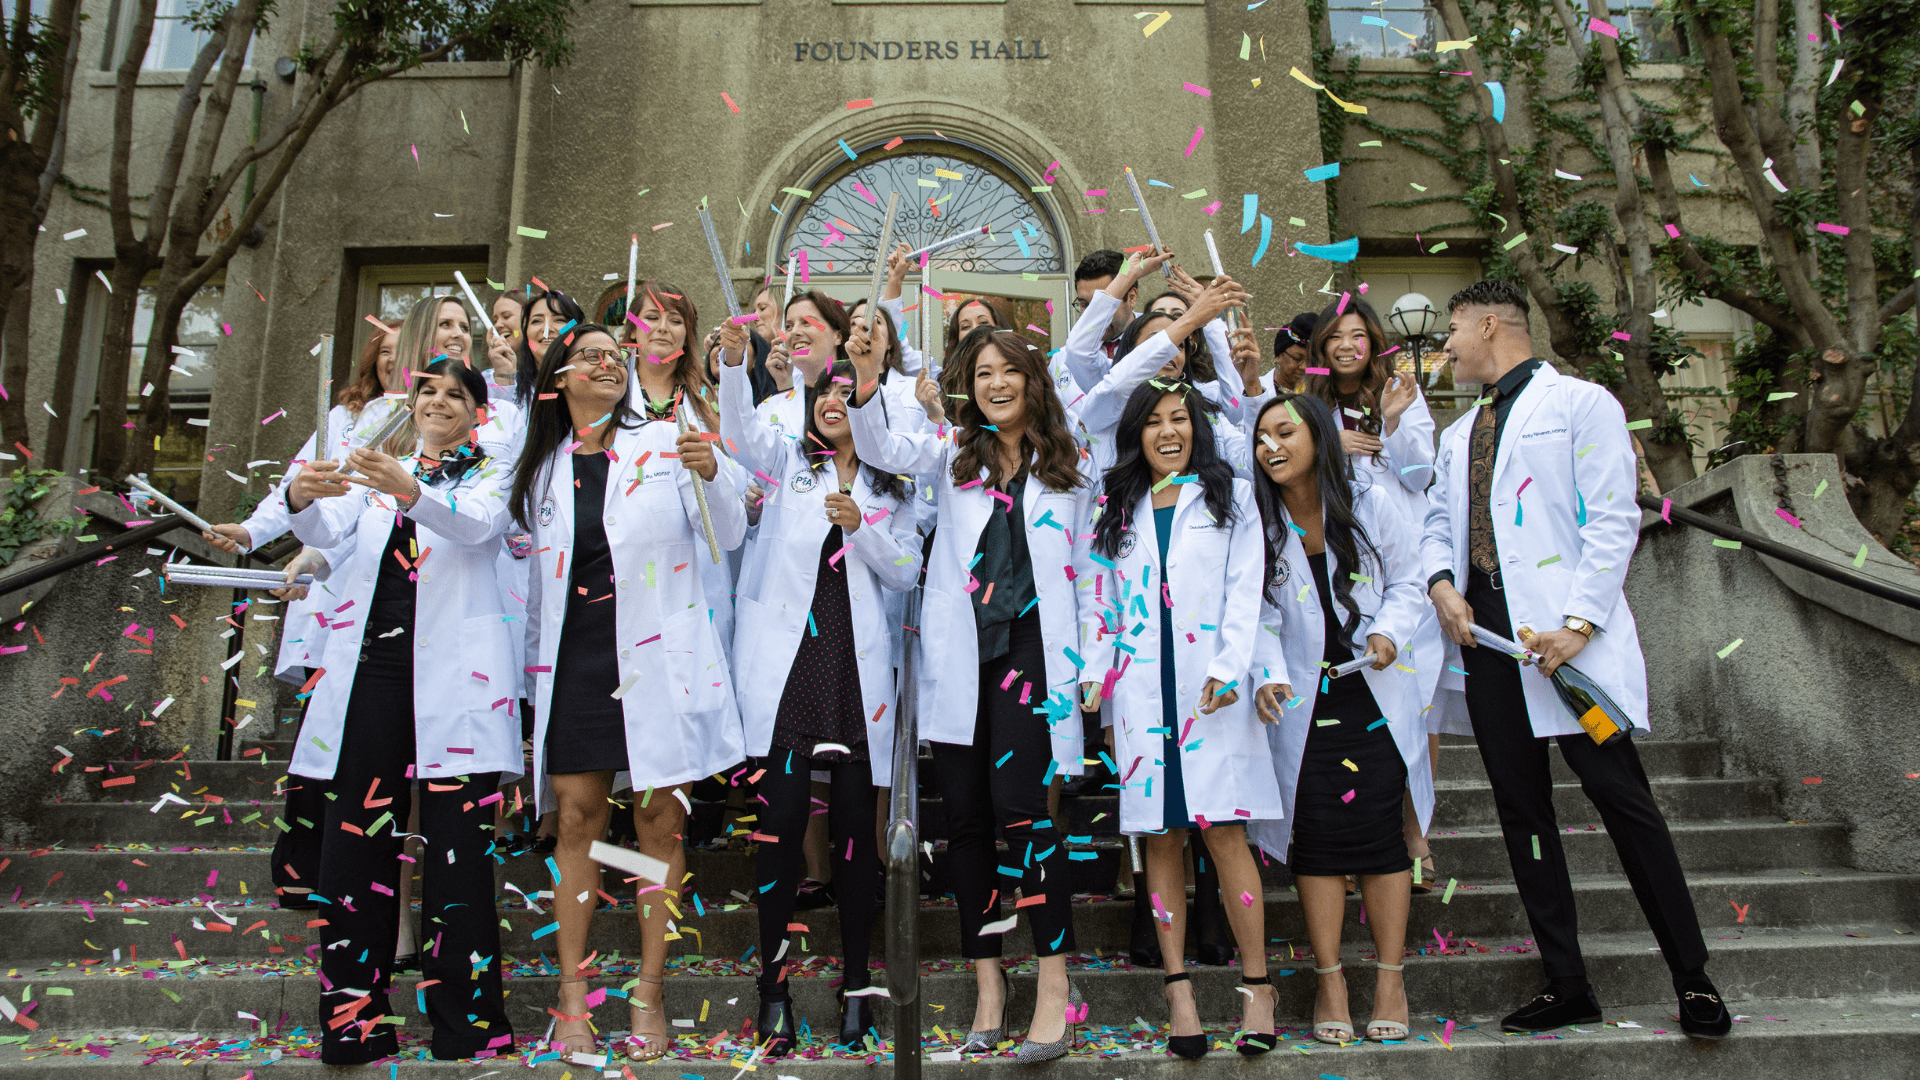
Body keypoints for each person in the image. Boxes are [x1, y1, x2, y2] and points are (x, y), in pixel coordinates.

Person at [1421, 281, 1730, 1038]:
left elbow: (1613, 517)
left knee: (1626, 807)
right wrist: (1439, 586)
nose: (1446, 349)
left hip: (1568, 653)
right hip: (1492, 652)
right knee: (1523, 816)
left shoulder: (1582, 404)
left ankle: (1693, 979)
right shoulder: (1457, 433)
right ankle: (1566, 981)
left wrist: (1581, 624)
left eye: (1452, 332)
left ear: (1487, 325)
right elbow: (1436, 521)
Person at [845, 327, 1096, 1064]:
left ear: (1031, 381)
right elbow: (886, 447)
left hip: (1034, 650)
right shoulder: (951, 456)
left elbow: (1090, 568)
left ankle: (1054, 984)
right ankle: (990, 983)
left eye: (1008, 371)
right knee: (965, 822)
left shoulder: (1068, 462)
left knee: (1023, 810)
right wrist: (866, 381)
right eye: (982, 373)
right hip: (962, 655)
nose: (995, 384)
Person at [511, 324, 749, 1061]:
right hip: (576, 660)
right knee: (578, 822)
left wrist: (712, 472)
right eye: (590, 354)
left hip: (655, 660)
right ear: (558, 379)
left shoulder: (666, 440)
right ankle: (573, 996)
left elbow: (729, 535)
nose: (608, 361)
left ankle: (649, 992)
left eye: (617, 353)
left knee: (658, 829)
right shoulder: (538, 467)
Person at [282, 357, 519, 1064]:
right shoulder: (379, 471)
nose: (438, 401)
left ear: (478, 411)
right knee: (356, 844)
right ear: (412, 404)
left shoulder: (495, 468)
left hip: (460, 679)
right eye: (429, 390)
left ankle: (467, 1021)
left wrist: (412, 490)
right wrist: (300, 495)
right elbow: (329, 530)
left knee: (458, 854)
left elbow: (477, 528)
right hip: (374, 673)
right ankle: (354, 1020)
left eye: (456, 393)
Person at [717, 318, 924, 1053]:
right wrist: (735, 365)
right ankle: (772, 988)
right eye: (824, 391)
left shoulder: (893, 485)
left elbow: (905, 571)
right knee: (776, 832)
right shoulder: (786, 465)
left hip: (855, 672)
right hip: (789, 674)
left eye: (849, 389)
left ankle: (858, 988)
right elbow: (739, 435)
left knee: (854, 845)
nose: (835, 399)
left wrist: (861, 524)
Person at [1083, 380, 1281, 1058]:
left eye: (1180, 419)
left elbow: (1245, 587)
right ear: (1136, 434)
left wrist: (1232, 667)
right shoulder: (1116, 505)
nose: (1170, 432)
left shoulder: (1229, 496)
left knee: (1225, 835)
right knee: (1161, 841)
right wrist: (1099, 683)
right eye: (1154, 423)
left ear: (1196, 426)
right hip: (1143, 694)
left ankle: (1257, 989)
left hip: (1208, 690)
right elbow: (1100, 599)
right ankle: (1179, 991)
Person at [1245, 392, 1430, 1045]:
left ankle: (1388, 978)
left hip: (1371, 690)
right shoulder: (1258, 525)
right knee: (1316, 843)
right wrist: (1266, 673)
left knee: (1382, 840)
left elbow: (1411, 581)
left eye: (1285, 433)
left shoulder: (1370, 504)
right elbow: (1257, 615)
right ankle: (1330, 979)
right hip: (1303, 700)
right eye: (1262, 436)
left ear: (1319, 438)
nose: (1271, 446)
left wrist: (1387, 631)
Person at [1301, 298, 1448, 890]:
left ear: (1374, 341)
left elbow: (1420, 474)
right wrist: (1335, 446)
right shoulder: (1309, 408)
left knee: (1416, 709)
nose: (1346, 346)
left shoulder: (1401, 392)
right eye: (1336, 336)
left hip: (1399, 573)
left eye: (1358, 335)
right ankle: (1351, 830)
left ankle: (1415, 835)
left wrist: (1389, 425)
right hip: (1334, 570)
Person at [511, 286, 588, 406]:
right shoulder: (509, 389)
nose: (547, 329)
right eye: (536, 321)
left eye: (559, 320)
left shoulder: (592, 386)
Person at [485, 288, 528, 402]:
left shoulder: (554, 375)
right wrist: (503, 378)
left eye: (506, 316)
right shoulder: (485, 380)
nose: (498, 325)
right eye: (495, 320)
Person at [1270, 313, 1317, 393]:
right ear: (1278, 355)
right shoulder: (1257, 392)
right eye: (1297, 358)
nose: (1304, 367)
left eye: (1310, 359)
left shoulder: (1314, 391)